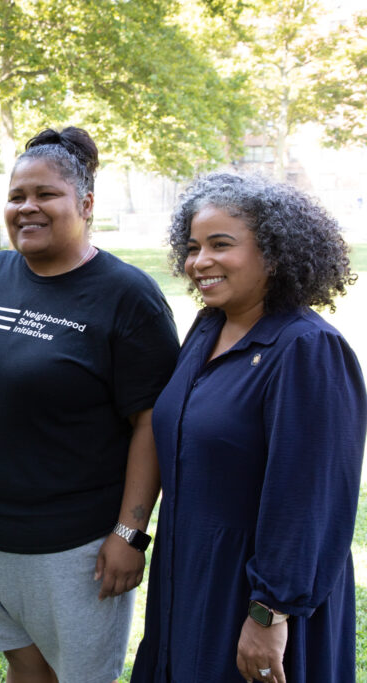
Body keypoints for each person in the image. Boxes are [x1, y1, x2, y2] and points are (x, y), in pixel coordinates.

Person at [0, 127, 179, 682]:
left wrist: (129, 533)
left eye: (46, 194)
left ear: (85, 203)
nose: (27, 207)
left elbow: (152, 422)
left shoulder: (127, 296)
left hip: (70, 544)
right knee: (22, 664)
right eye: (17, 196)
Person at [131, 173, 366, 683]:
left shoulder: (307, 349)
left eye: (221, 245)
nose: (200, 262)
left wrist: (270, 611)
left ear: (275, 254)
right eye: (193, 247)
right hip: (189, 566)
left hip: (257, 589)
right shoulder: (207, 328)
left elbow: (309, 499)